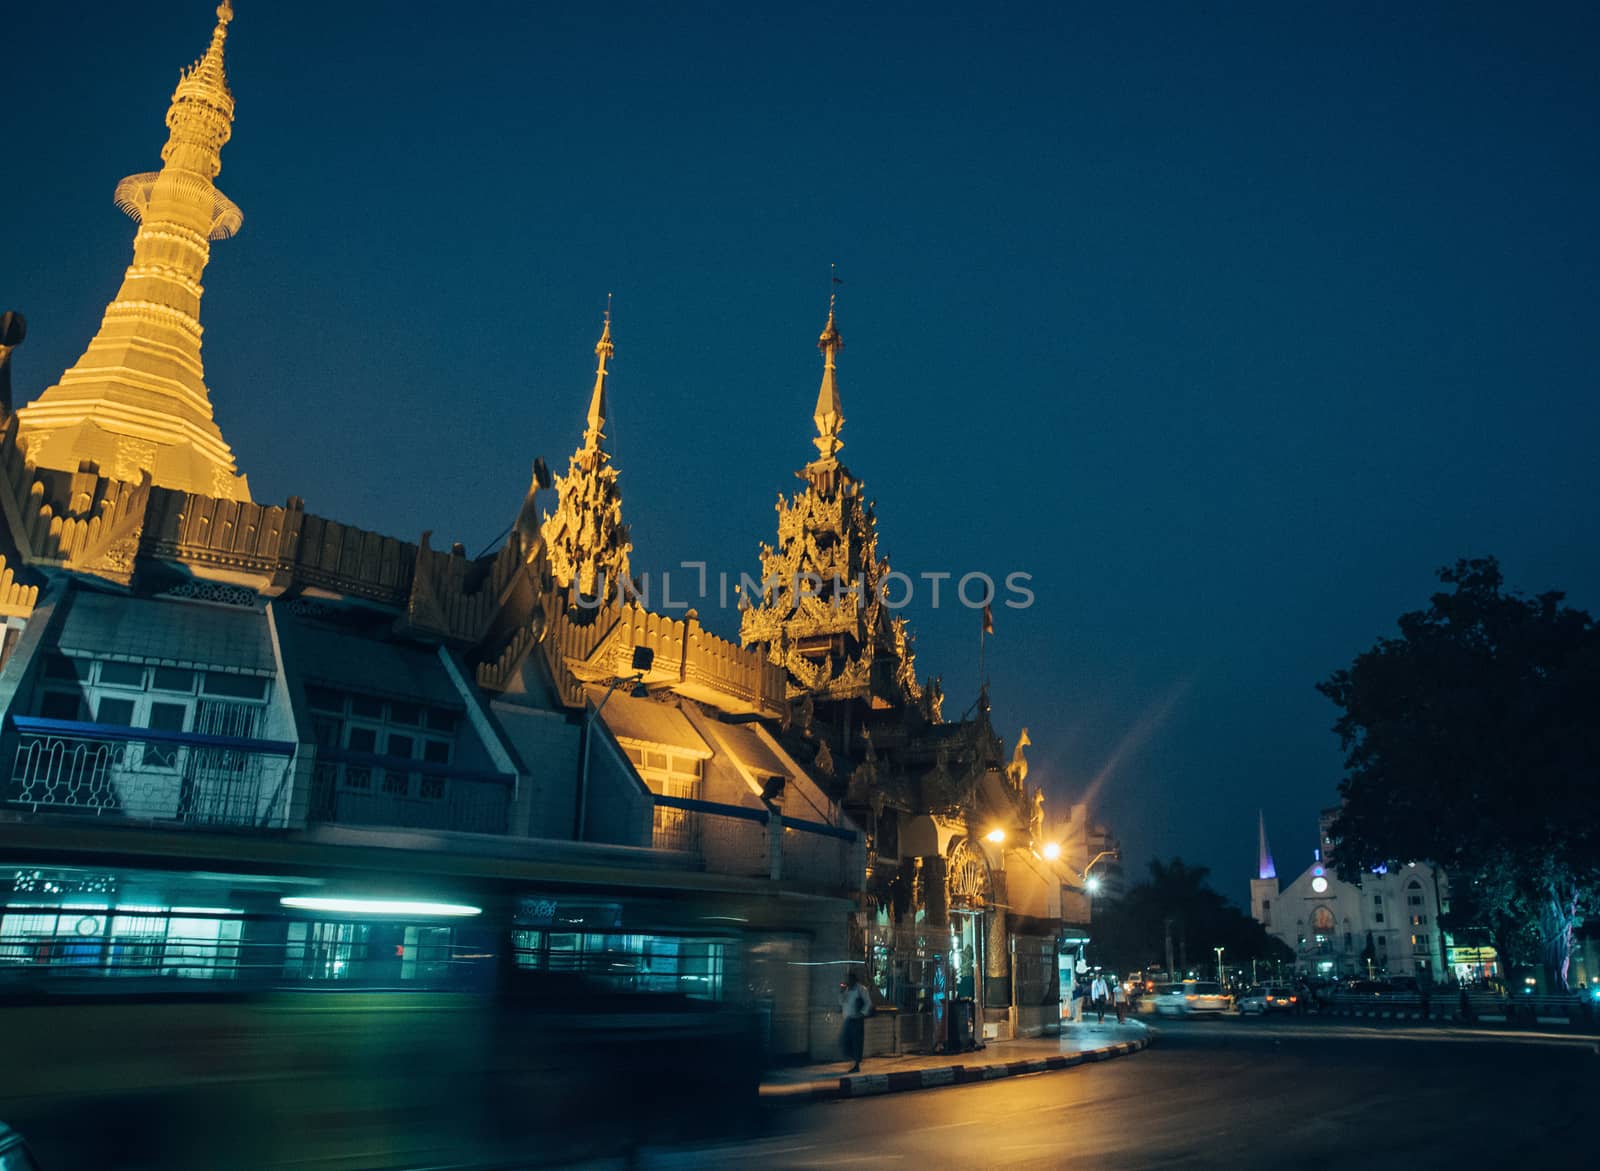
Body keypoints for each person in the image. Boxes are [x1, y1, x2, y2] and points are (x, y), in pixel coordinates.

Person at [839, 969, 872, 1073]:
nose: (848, 981)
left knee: (857, 1043)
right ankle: (854, 1060)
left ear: (854, 980)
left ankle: (857, 1064)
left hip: (856, 1019)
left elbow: (868, 1003)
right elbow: (841, 1003)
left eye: (849, 979)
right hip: (848, 1019)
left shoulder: (861, 989)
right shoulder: (847, 990)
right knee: (845, 1041)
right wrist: (841, 993)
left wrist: (862, 1014)